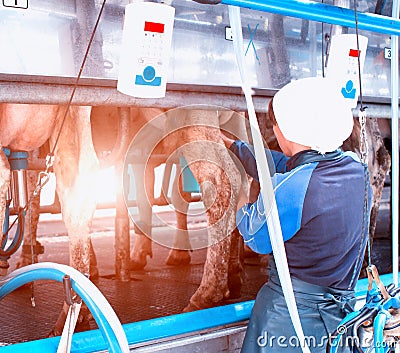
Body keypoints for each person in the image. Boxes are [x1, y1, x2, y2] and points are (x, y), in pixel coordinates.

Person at [221, 77, 372, 353]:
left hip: (289, 319)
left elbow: (255, 236)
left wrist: (241, 196)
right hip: (339, 317)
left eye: (275, 126)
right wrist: (238, 148)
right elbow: (288, 166)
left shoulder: (294, 187)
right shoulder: (357, 171)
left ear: (286, 130)